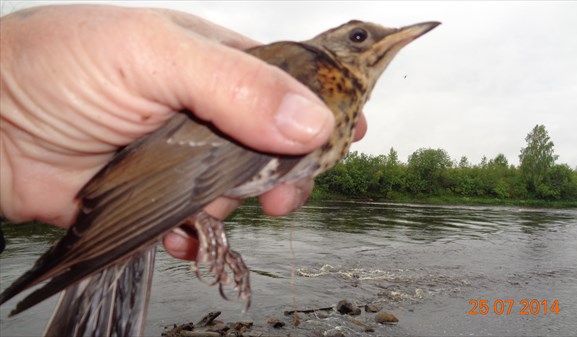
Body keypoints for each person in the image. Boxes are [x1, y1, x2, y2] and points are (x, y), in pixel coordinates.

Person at [0, 4, 367, 260]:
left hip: (135, 189)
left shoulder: (323, 98)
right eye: (359, 37)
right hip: (138, 186)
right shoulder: (308, 73)